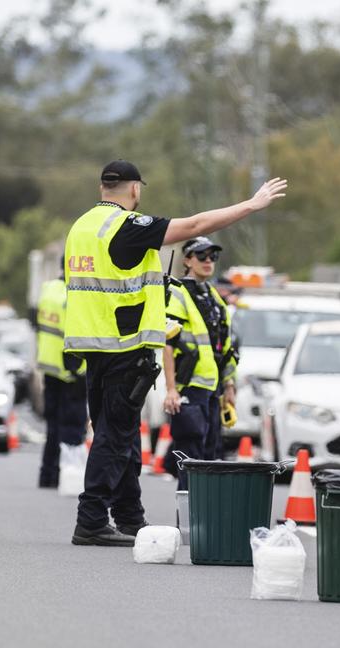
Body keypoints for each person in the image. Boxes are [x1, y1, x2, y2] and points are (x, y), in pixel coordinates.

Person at [64, 159, 287, 546]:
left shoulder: (81, 227)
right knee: (115, 437)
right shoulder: (126, 226)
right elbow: (196, 225)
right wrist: (251, 205)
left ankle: (130, 516)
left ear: (103, 187)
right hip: (124, 345)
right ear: (135, 190)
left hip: (94, 345)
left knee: (121, 434)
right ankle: (91, 518)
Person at [161, 237, 237, 488]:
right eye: (201, 256)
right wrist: (171, 389)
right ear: (187, 260)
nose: (207, 261)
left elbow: (224, 348)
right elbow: (168, 343)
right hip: (190, 388)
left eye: (212, 257)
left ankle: (206, 520)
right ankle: (189, 521)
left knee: (210, 456)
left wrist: (229, 387)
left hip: (212, 390)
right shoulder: (178, 293)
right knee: (190, 458)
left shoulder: (214, 298)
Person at [35, 272, 89, 489]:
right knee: (73, 425)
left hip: (50, 369)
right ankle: (68, 476)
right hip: (70, 371)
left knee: (53, 425)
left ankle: (47, 474)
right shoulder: (71, 294)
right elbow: (71, 332)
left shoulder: (49, 289)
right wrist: (76, 370)